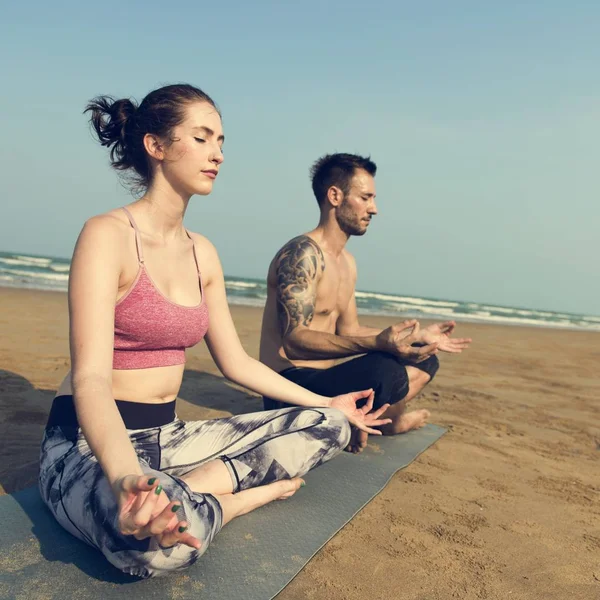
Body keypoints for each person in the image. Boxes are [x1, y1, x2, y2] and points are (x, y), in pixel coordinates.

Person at [38, 87, 391, 579]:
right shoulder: (107, 236)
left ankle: (198, 488)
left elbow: (238, 363)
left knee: (328, 425)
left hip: (169, 437)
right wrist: (127, 480)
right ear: (155, 146)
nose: (217, 153)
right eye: (201, 138)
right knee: (147, 548)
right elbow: (92, 379)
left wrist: (325, 403)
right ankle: (229, 504)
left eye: (220, 140)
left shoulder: (203, 252)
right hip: (87, 443)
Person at [259, 153, 471, 452]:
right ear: (335, 196)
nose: (374, 209)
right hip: (289, 387)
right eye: (365, 197)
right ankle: (378, 423)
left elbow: (350, 330)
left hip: (328, 382)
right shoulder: (302, 254)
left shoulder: (347, 263)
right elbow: (295, 341)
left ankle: (360, 420)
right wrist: (378, 344)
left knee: (425, 357)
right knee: (386, 370)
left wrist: (415, 338)